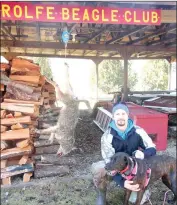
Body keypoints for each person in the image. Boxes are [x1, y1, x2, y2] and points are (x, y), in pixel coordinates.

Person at [91, 102, 156, 205]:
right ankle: (101, 193)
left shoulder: (138, 131)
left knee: (135, 200)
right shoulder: (107, 136)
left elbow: (152, 148)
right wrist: (122, 182)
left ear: (127, 115)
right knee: (98, 168)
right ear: (113, 116)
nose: (120, 117)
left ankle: (142, 190)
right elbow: (108, 161)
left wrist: (143, 154)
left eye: (123, 113)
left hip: (135, 169)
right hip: (116, 167)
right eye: (117, 114)